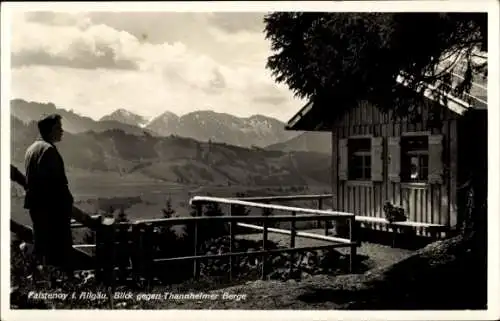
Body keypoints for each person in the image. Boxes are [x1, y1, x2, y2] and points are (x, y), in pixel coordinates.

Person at [24, 114, 74, 276]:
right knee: (60, 252)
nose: (62, 131)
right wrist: (67, 205)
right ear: (51, 130)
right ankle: (64, 287)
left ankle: (45, 283)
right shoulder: (49, 150)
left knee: (43, 249)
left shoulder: (31, 149)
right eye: (59, 128)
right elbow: (57, 184)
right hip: (53, 211)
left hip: (37, 209)